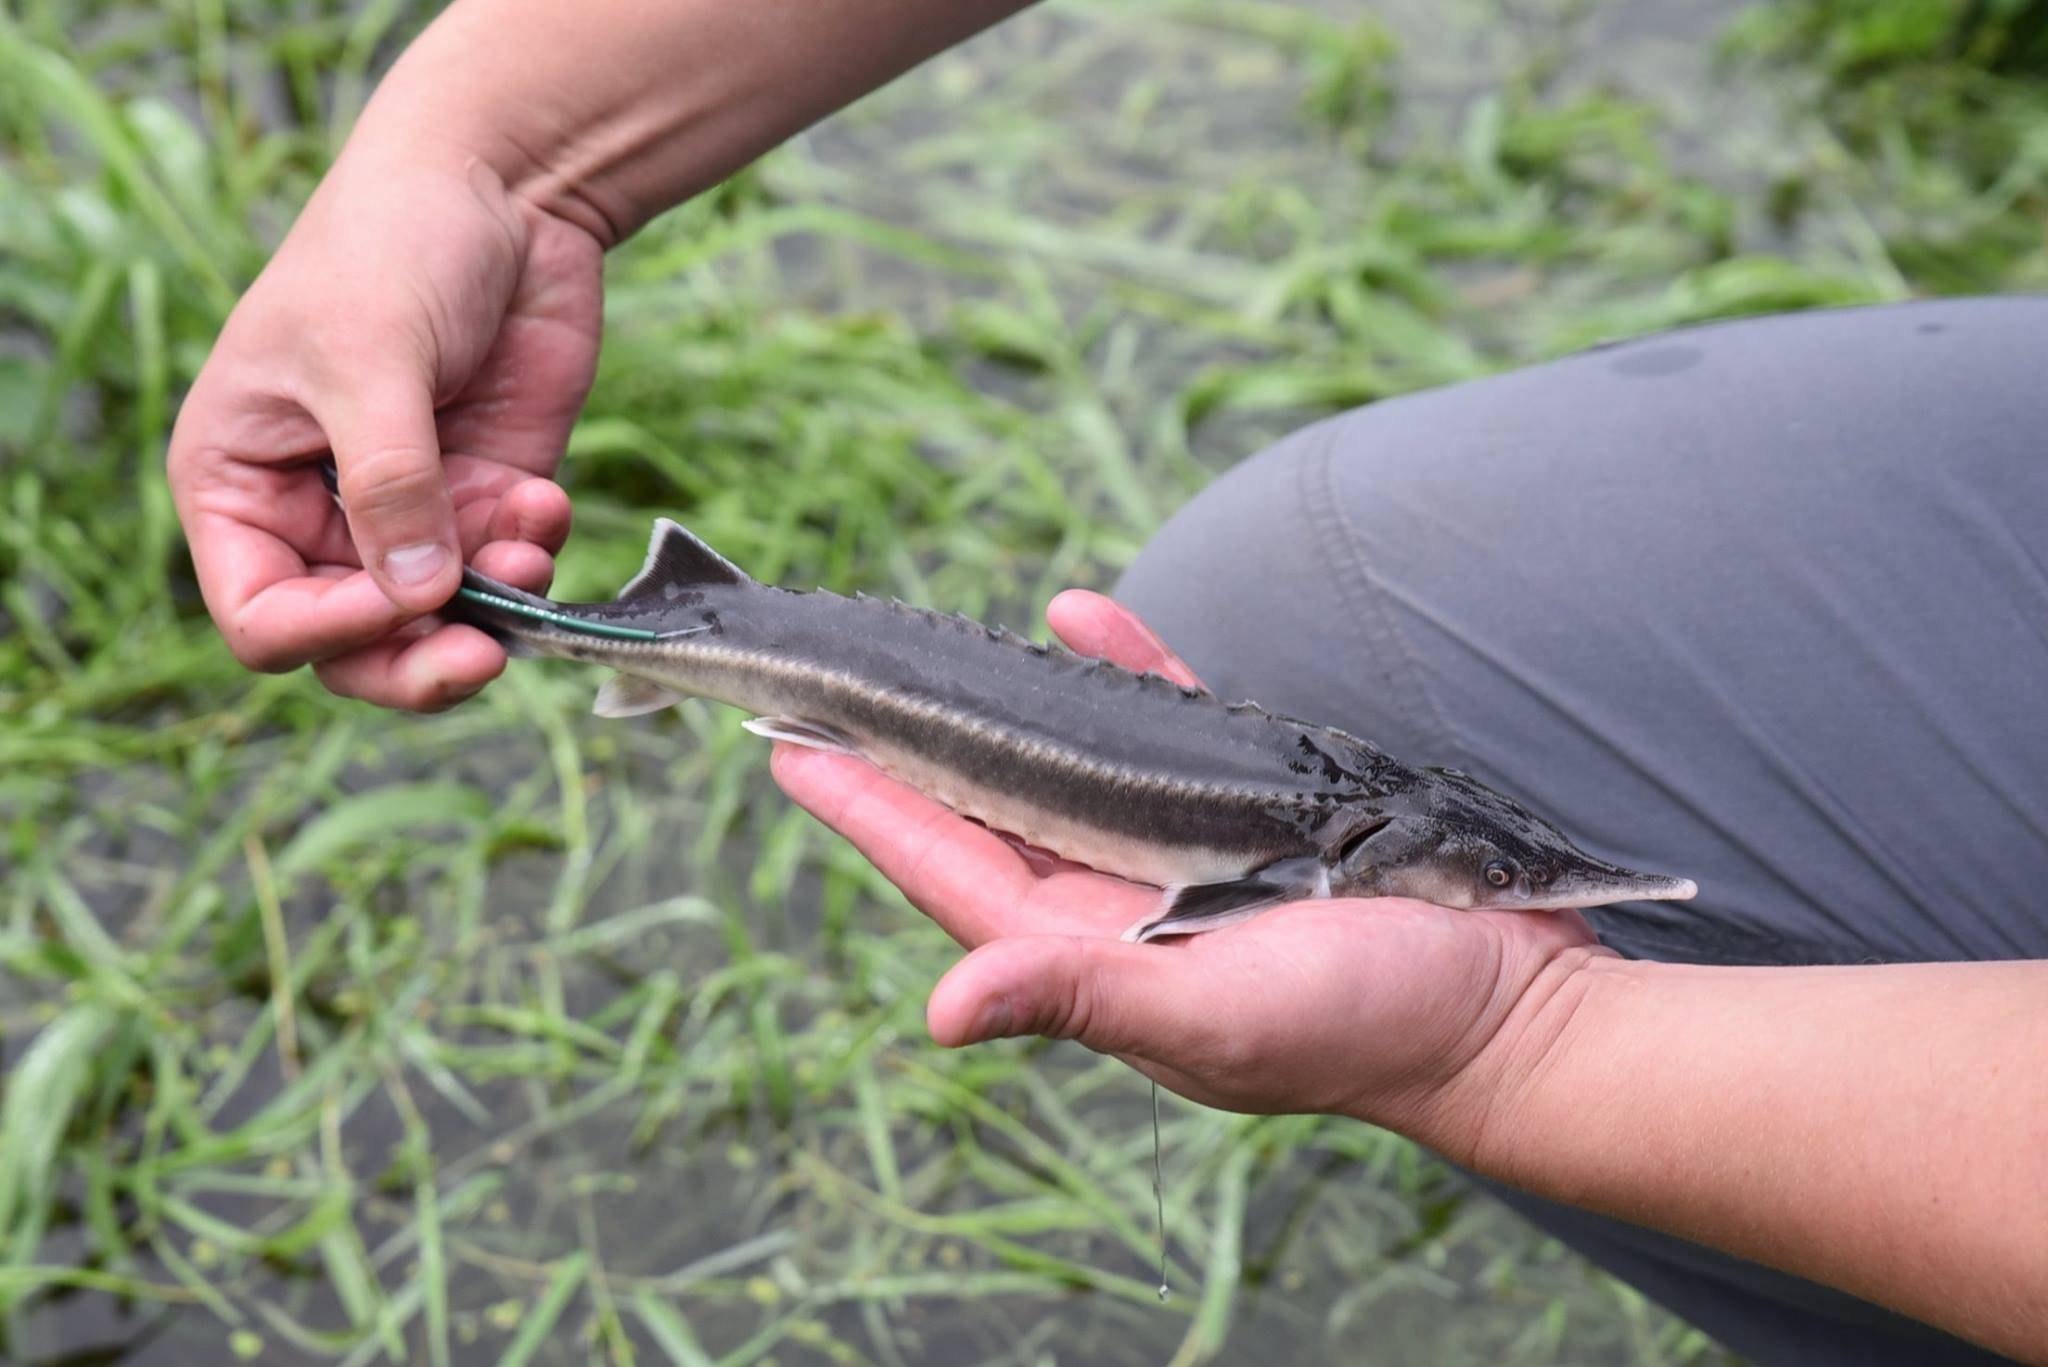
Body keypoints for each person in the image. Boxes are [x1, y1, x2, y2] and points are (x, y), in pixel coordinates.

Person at [164, 3, 2048, 1363]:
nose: (1532, 879)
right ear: (1395, 849)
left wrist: (1530, 1048)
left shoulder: (1357, 866)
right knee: (1295, 591)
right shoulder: (1340, 831)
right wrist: (496, 156)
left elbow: (1500, 977)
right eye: (1501, 869)